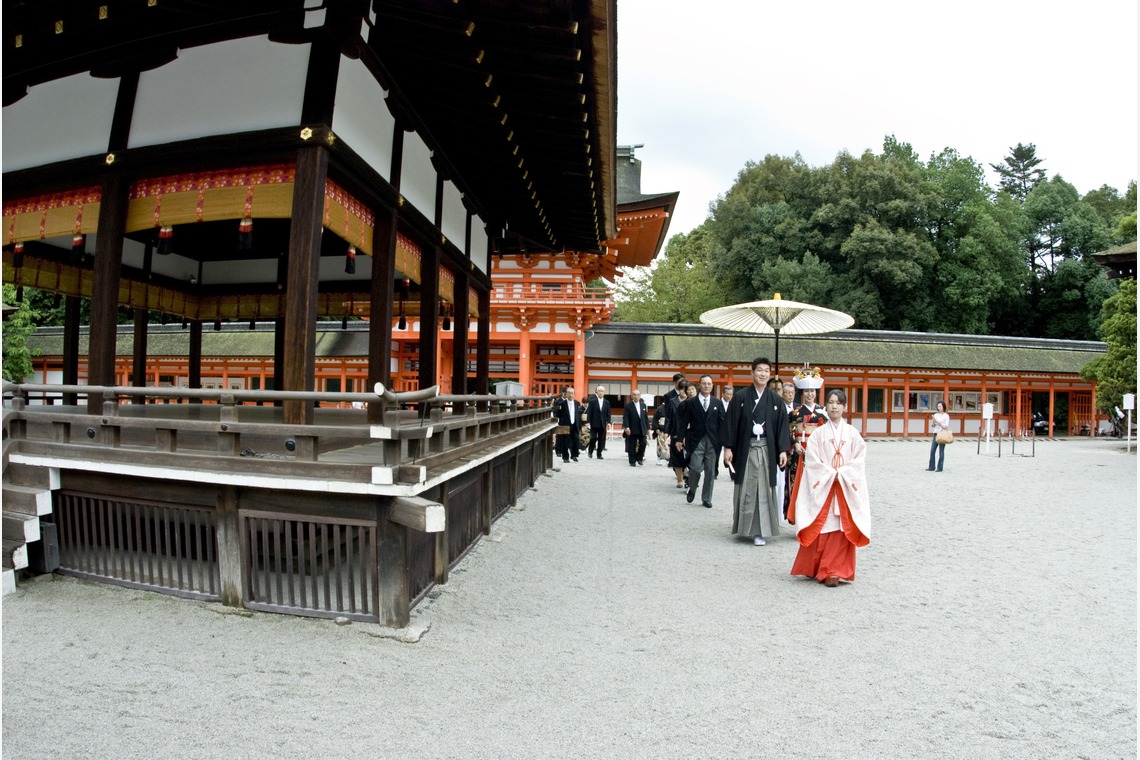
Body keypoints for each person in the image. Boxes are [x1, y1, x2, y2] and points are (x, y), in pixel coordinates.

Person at [788, 389, 871, 586]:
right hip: (825, 485)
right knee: (822, 523)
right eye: (831, 402)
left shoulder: (852, 434)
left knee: (840, 528)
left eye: (838, 403)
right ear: (826, 407)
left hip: (843, 486)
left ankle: (833, 571)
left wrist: (842, 474)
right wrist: (828, 474)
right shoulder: (818, 434)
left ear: (845, 407)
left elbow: (859, 459)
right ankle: (816, 567)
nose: (834, 406)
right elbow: (813, 460)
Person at [723, 358, 790, 546]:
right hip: (747, 449)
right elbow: (731, 423)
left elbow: (781, 428)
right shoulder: (740, 397)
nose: (763, 374)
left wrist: (783, 450)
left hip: (767, 450)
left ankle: (761, 531)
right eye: (759, 370)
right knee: (747, 488)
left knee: (764, 489)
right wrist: (728, 447)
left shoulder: (776, 400)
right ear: (752, 372)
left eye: (766, 371)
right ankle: (745, 527)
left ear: (770, 375)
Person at [677, 375, 725, 508]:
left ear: (712, 385)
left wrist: (726, 441)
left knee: (710, 471)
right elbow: (684, 422)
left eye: (709, 384)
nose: (707, 386)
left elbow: (723, 422)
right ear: (699, 385)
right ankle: (692, 487)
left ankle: (706, 498)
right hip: (696, 439)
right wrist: (679, 439)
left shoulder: (717, 403)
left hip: (713, 441)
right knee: (695, 468)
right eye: (704, 383)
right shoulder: (691, 403)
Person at [786, 383, 827, 521]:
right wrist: (795, 444)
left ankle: (815, 519)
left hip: (817, 455)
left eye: (812, 391)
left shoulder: (823, 412)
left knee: (817, 486)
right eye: (807, 391)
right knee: (799, 487)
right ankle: (799, 519)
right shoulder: (794, 413)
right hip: (799, 454)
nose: (810, 394)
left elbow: (828, 433)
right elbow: (787, 432)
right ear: (802, 393)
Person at [653, 373, 685, 468]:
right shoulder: (669, 396)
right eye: (679, 382)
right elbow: (668, 414)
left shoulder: (688, 392)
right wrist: (666, 429)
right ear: (675, 383)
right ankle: (676, 468)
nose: (681, 384)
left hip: (686, 424)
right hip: (674, 424)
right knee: (673, 448)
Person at [775, 381, 797, 518]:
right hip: (782, 449)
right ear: (782, 394)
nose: (790, 395)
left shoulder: (798, 409)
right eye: (787, 392)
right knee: (780, 481)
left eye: (792, 392)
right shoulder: (777, 407)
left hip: (796, 450)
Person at [667, 380, 693, 488]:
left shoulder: (692, 403)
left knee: (690, 457)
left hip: (689, 433)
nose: (683, 391)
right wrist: (666, 432)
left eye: (685, 389)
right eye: (681, 388)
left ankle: (688, 476)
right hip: (675, 432)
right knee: (677, 457)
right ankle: (679, 479)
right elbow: (668, 417)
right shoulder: (672, 401)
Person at [552, 385, 580, 462]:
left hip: (574, 424)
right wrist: (560, 423)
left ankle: (574, 455)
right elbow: (558, 415)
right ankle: (565, 457)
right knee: (565, 441)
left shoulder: (577, 403)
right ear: (566, 394)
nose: (571, 395)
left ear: (574, 394)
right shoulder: (562, 403)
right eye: (569, 393)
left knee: (576, 440)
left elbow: (578, 415)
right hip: (565, 424)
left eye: (572, 393)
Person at [622, 389, 651, 467]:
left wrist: (648, 428)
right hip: (632, 428)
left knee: (643, 443)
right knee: (632, 445)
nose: (636, 396)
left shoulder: (643, 405)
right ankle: (632, 460)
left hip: (642, 427)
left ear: (640, 396)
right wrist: (626, 427)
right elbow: (626, 417)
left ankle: (639, 457)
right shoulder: (628, 405)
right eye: (634, 395)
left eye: (638, 395)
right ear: (632, 396)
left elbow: (645, 417)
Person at [585, 385, 611, 459]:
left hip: (602, 423)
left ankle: (599, 454)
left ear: (604, 393)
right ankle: (590, 451)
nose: (601, 393)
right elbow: (589, 412)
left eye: (602, 391)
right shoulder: (592, 401)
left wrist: (608, 422)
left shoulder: (606, 402)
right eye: (599, 391)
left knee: (601, 439)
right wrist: (588, 422)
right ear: (597, 392)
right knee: (593, 438)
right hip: (594, 422)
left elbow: (608, 413)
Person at [927, 401, 950, 472]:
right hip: (936, 433)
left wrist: (939, 423)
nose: (939, 407)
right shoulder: (936, 415)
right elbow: (933, 425)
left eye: (940, 406)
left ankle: (940, 467)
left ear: (943, 407)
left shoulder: (946, 416)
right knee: (932, 450)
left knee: (941, 451)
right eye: (938, 406)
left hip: (942, 433)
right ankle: (931, 466)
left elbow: (946, 426)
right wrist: (933, 422)